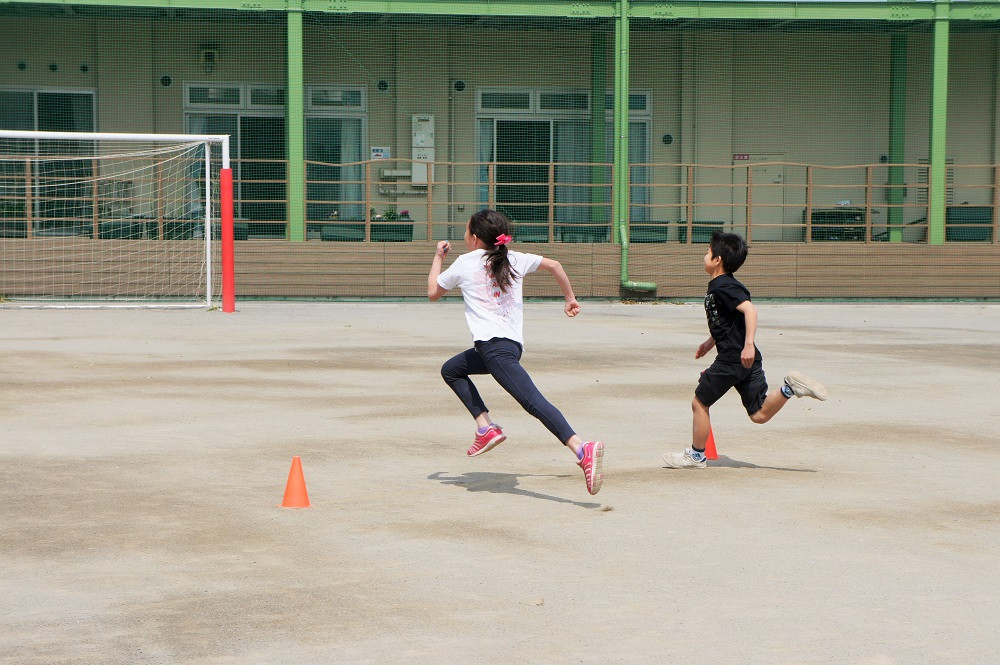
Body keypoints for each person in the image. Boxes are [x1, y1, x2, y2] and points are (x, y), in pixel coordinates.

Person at [428, 209, 604, 495]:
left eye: (465, 231)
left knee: (533, 402)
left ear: (473, 238)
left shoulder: (464, 262)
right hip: (509, 346)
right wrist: (569, 299)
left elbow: (433, 292)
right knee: (452, 369)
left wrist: (438, 257)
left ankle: (581, 448)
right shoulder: (514, 258)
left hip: (493, 350)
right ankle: (486, 427)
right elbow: (556, 265)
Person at [663, 230, 828, 469]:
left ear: (717, 259)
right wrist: (710, 342)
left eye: (708, 252)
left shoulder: (723, 286)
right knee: (759, 414)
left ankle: (696, 455)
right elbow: (727, 320)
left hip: (733, 358)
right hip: (745, 360)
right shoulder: (724, 286)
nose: (705, 255)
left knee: (699, 403)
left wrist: (748, 344)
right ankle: (789, 388)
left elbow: (750, 311)